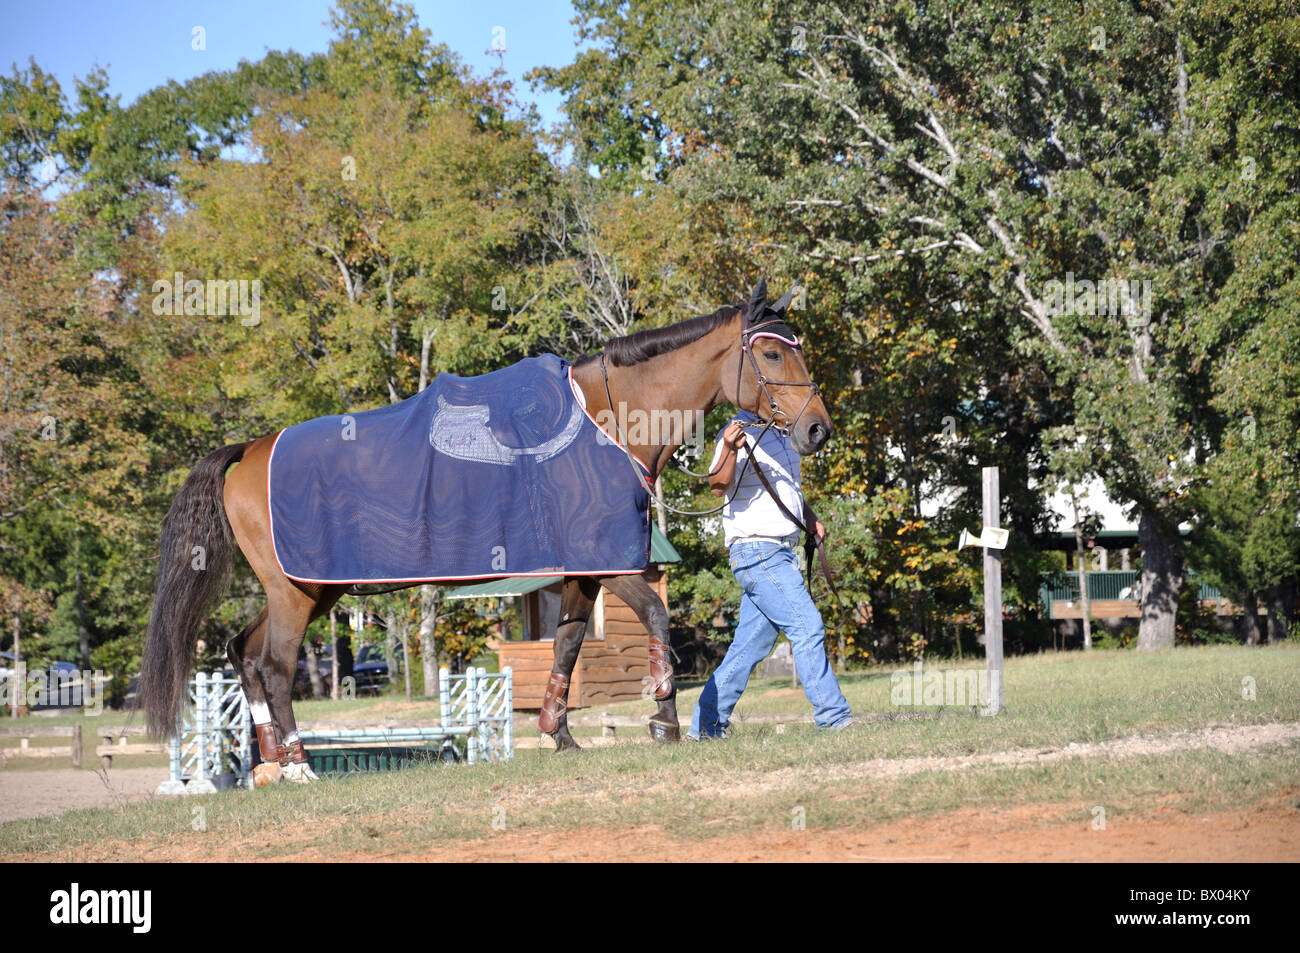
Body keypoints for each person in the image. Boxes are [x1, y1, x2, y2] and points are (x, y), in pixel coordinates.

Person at [689, 414, 853, 739]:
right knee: (807, 627)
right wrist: (730, 448)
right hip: (757, 550)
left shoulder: (785, 433)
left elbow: (788, 489)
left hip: (779, 551)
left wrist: (809, 517)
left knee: (748, 648)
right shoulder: (737, 431)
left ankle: (705, 729)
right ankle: (834, 720)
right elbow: (717, 485)